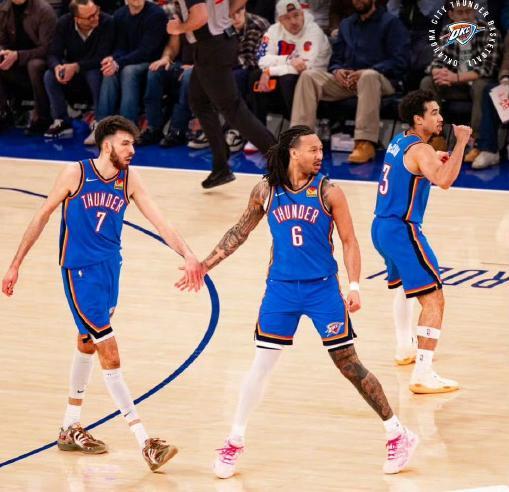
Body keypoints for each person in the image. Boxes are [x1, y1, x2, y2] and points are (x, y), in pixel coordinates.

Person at [177, 125, 419, 478]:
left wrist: (354, 286)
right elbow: (239, 232)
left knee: (348, 364)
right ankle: (234, 441)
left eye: (321, 149)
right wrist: (204, 265)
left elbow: (349, 241)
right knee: (260, 365)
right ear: (293, 152)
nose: (320, 155)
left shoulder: (329, 192)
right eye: (313, 150)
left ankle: (398, 433)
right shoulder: (266, 190)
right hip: (281, 290)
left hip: (323, 289)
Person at [2, 115, 204, 471]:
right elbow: (42, 215)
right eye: (126, 143)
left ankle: (69, 427)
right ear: (107, 144)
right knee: (108, 348)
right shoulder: (76, 174)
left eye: (133, 144)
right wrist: (15, 264)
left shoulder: (129, 179)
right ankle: (145, 442)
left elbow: (160, 221)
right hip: (79, 272)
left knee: (87, 341)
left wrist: (188, 254)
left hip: (111, 270)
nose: (132, 150)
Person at [371, 89, 471, 392]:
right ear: (418, 119)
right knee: (434, 297)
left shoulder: (399, 141)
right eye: (434, 113)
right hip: (402, 229)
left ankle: (404, 347)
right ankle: (423, 374)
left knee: (405, 287)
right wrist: (461, 144)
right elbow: (444, 180)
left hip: (381, 227)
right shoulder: (422, 150)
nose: (440, 119)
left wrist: (435, 158)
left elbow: (413, 166)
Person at [167, 0, 276, 189]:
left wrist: (178, 28)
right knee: (199, 101)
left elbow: (200, 16)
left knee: (234, 110)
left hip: (211, 46)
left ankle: (281, 160)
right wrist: (225, 13)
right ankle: (221, 165)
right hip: (219, 42)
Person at [290, 0, 410, 164]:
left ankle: (365, 143)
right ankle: (302, 141)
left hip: (382, 80)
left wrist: (371, 70)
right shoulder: (346, 24)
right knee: (309, 76)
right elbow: (336, 59)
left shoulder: (391, 23)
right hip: (349, 81)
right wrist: (337, 70)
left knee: (368, 76)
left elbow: (400, 61)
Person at [244, 0, 331, 153]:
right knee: (255, 76)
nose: (293, 21)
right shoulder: (273, 31)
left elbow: (304, 65)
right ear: (280, 20)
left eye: (296, 15)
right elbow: (261, 59)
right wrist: (287, 59)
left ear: (302, 14)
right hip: (287, 76)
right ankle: (259, 134)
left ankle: (300, 129)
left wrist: (270, 71)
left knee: (288, 78)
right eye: (287, 18)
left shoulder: (313, 30)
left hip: (313, 80)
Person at [420, 2, 500, 151]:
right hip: (454, 86)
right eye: (460, 12)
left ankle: (476, 141)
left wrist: (455, 77)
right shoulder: (447, 31)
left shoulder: (488, 31)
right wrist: (438, 73)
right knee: (428, 82)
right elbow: (436, 62)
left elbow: (487, 69)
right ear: (451, 15)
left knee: (481, 86)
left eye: (468, 11)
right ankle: (435, 136)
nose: (465, 16)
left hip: (477, 83)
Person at [86, 0, 167, 144]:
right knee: (108, 71)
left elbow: (147, 51)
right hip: (128, 60)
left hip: (152, 62)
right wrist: (113, 58)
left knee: (128, 72)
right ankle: (101, 125)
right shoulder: (120, 15)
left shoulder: (156, 14)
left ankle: (127, 128)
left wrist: (119, 62)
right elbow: (120, 47)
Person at [44, 0, 114, 139]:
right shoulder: (64, 23)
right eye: (90, 17)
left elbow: (102, 56)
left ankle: (99, 122)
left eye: (96, 12)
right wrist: (57, 67)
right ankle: (62, 120)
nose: (96, 17)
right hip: (74, 72)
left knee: (94, 73)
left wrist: (76, 67)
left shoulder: (107, 22)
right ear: (77, 19)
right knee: (49, 75)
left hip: (96, 70)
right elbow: (53, 53)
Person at [0, 0, 56, 134]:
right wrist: (3, 52)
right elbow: (2, 41)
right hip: (15, 62)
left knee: (34, 65)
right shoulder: (3, 10)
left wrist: (18, 55)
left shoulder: (44, 10)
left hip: (43, 63)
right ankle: (3, 113)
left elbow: (48, 49)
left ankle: (42, 117)